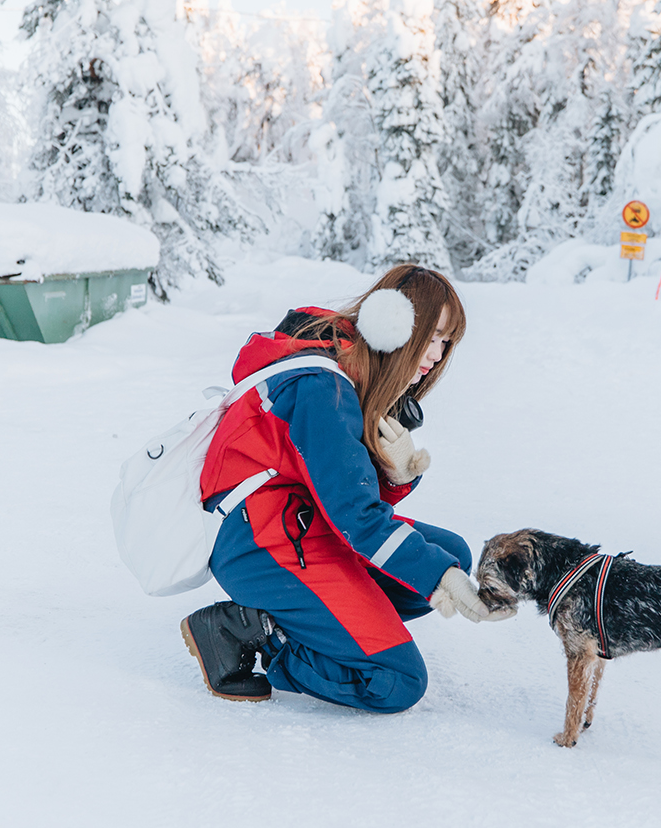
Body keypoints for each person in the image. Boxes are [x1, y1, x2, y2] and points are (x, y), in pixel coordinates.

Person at [181, 264, 511, 713]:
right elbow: (355, 515)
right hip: (257, 542)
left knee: (448, 551)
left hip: (297, 522)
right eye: (431, 335)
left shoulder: (347, 366)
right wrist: (438, 575)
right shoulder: (324, 387)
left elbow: (341, 491)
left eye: (446, 341)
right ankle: (252, 633)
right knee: (396, 681)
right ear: (394, 321)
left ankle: (329, 621)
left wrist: (395, 478)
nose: (436, 353)